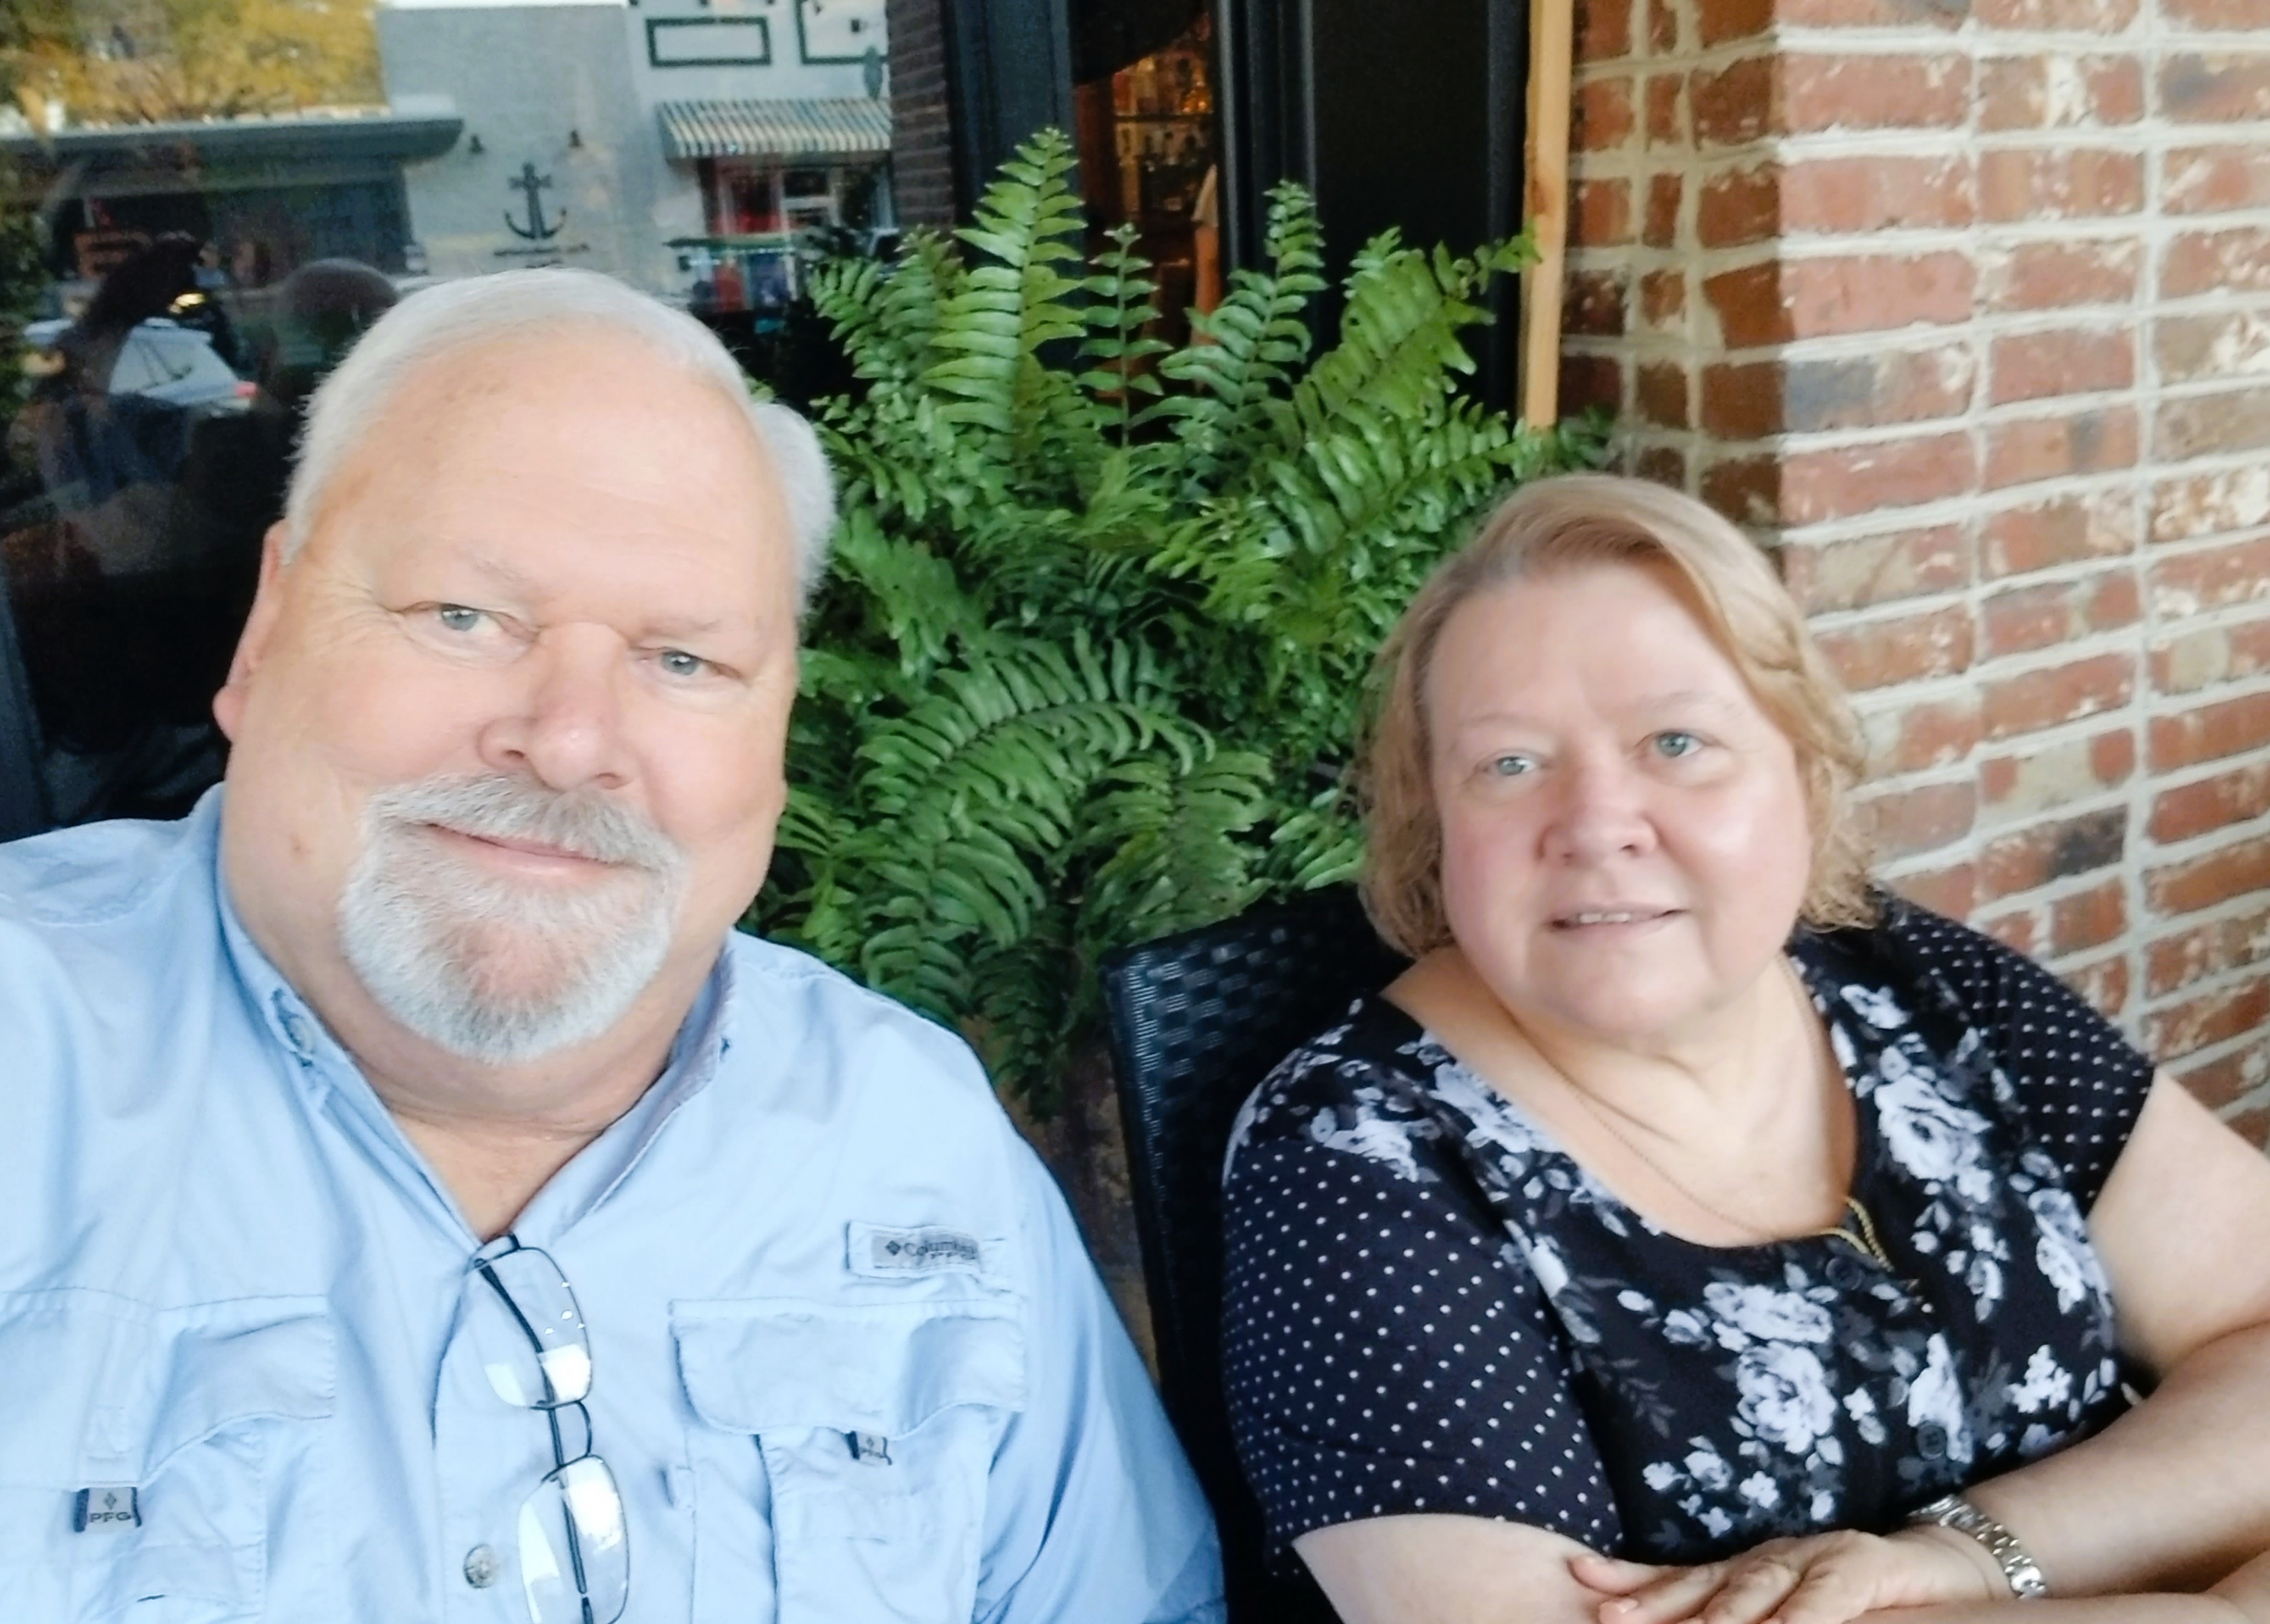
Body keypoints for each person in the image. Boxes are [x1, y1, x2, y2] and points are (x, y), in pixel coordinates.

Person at [0, 267, 1223, 1622]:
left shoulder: (907, 1137)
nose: (572, 741)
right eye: (465, 618)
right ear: (269, 627)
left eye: (684, 661)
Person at [1218, 474, 2270, 1624]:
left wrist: (1979, 1555)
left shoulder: (1913, 983)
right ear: (1434, 825)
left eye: (1677, 742)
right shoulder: (1350, 1163)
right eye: (1509, 765)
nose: (1597, 824)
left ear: (1804, 777)